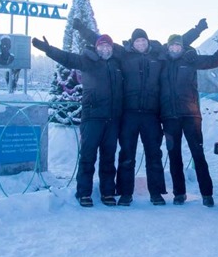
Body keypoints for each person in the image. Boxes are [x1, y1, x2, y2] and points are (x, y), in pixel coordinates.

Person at [74, 18, 207, 206]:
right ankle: (125, 194)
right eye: (137, 40)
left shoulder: (158, 53)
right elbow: (101, 40)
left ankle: (156, 193)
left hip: (151, 115)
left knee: (154, 154)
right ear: (133, 42)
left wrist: (198, 30)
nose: (141, 43)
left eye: (143, 40)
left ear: (147, 41)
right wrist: (81, 28)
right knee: (127, 154)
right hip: (129, 114)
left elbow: (179, 42)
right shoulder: (124, 54)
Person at [31, 33, 123, 207]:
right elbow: (66, 58)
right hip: (92, 118)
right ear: (97, 47)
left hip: (112, 120)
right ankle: (84, 193)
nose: (105, 49)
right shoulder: (88, 61)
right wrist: (48, 49)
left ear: (112, 48)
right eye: (102, 46)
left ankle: (108, 192)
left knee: (109, 158)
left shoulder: (117, 64)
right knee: (88, 156)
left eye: (108, 46)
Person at [159, 12, 218, 207]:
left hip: (191, 116)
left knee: (198, 154)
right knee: (174, 156)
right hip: (170, 118)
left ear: (182, 47)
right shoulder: (162, 62)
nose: (175, 48)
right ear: (168, 47)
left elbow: (217, 59)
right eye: (172, 45)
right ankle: (179, 193)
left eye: (178, 45)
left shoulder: (190, 60)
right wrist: (197, 29)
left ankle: (207, 194)